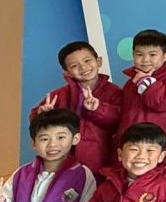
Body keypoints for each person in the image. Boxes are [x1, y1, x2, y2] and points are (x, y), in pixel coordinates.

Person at [31, 41, 122, 176]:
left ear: (99, 61)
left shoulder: (114, 92)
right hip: (63, 160)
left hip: (100, 160)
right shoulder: (58, 95)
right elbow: (35, 119)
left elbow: (118, 120)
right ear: (67, 73)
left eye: (87, 60)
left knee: (95, 187)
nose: (83, 67)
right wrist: (42, 115)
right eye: (74, 65)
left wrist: (97, 109)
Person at [117, 29, 166, 178]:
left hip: (163, 151)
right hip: (135, 149)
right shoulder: (130, 83)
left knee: (165, 188)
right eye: (139, 54)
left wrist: (146, 83)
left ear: (165, 56)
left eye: (152, 54)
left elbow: (164, 102)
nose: (145, 59)